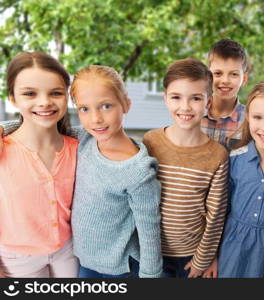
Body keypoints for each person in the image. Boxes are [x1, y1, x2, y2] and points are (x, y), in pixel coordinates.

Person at [0, 65, 163, 278]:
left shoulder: (139, 170)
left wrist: (151, 277)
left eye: (106, 106)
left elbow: (149, 231)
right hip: (83, 263)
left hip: (121, 268)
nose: (96, 119)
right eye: (85, 109)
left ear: (126, 104)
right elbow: (41, 128)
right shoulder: (85, 139)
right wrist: (5, 128)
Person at [143, 58, 229, 278]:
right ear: (165, 99)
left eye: (196, 98)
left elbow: (215, 216)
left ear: (208, 102)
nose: (185, 107)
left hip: (190, 258)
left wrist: (203, 259)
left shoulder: (217, 155)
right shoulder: (150, 142)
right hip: (150, 252)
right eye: (176, 97)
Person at [207, 80, 264, 278]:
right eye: (258, 117)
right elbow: (218, 214)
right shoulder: (233, 160)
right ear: (248, 117)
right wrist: (211, 257)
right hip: (231, 256)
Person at [0, 51, 79, 278]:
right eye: (30, 94)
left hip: (67, 250)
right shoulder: (4, 150)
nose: (44, 102)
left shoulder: (79, 148)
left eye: (55, 93)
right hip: (16, 258)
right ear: (13, 98)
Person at [201, 39, 249, 149]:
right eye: (218, 73)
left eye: (234, 74)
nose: (225, 80)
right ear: (208, 76)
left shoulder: (250, 121)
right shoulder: (196, 113)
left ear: (244, 79)